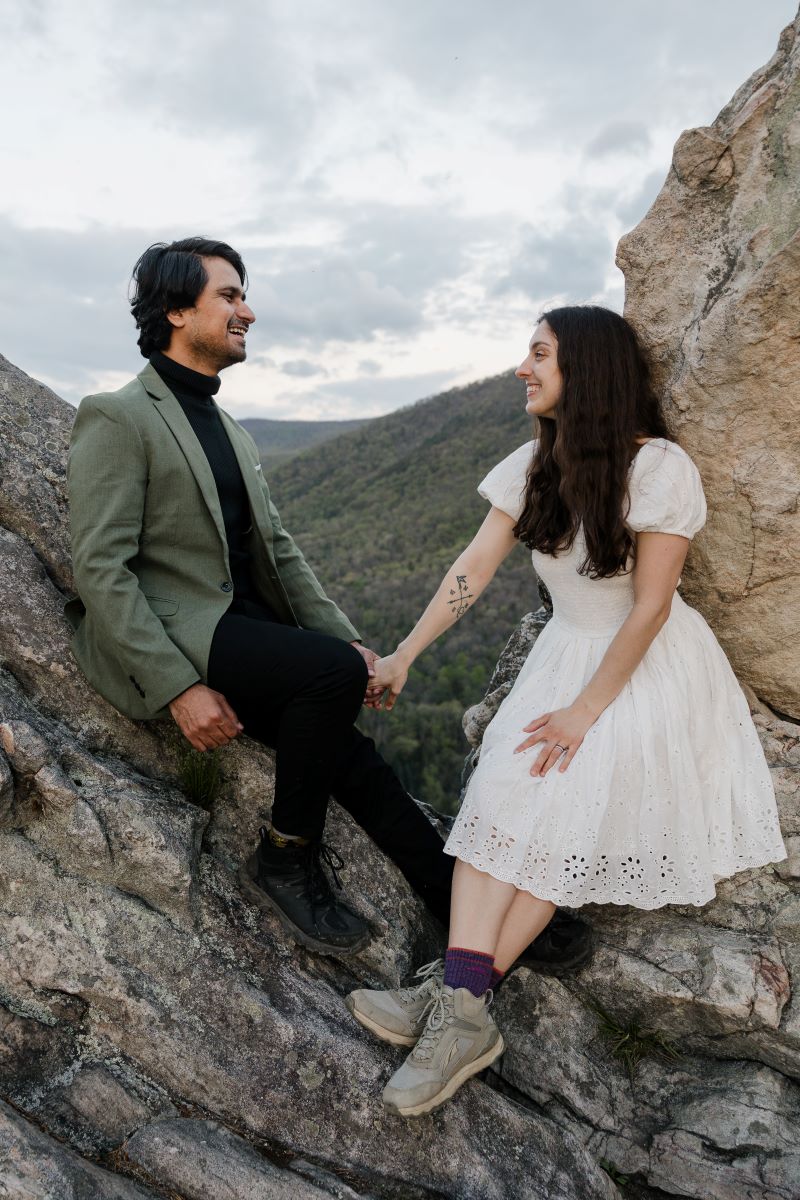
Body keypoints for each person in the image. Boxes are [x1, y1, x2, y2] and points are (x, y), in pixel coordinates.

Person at [64, 235, 592, 967]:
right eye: (230, 295)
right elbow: (100, 567)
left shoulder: (229, 429)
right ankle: (286, 853)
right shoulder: (119, 416)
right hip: (172, 636)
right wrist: (179, 686)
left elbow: (281, 553)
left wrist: (351, 644)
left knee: (356, 762)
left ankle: (456, 906)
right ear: (177, 310)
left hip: (240, 631)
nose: (248, 310)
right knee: (328, 679)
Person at [346, 305, 787, 1118]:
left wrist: (585, 712)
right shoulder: (532, 465)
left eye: (540, 353)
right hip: (566, 657)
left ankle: (454, 1003)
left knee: (558, 810)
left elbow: (651, 607)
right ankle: (462, 1003)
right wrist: (406, 654)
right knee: (496, 803)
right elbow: (472, 568)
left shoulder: (659, 470)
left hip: (646, 669)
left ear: (586, 370)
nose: (523, 366)